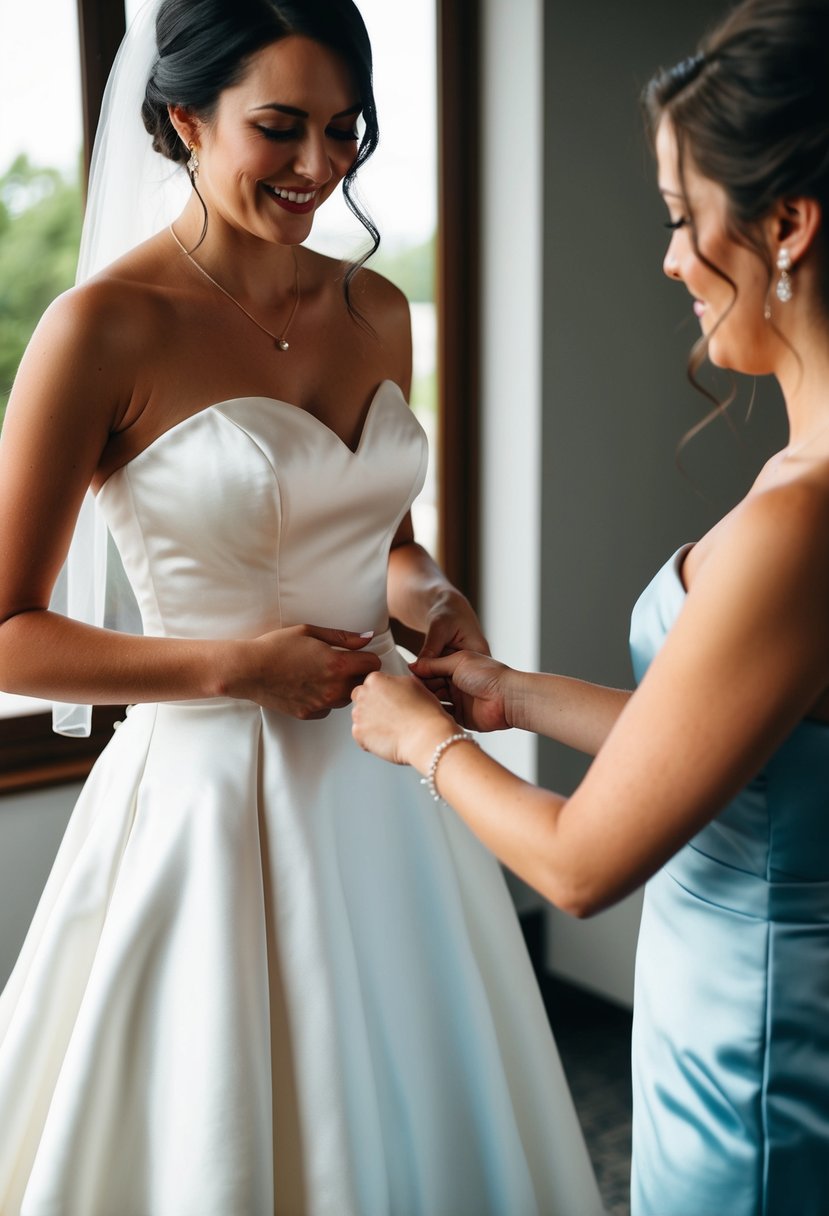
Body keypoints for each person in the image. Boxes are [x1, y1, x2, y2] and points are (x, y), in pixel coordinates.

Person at [0, 1, 607, 1213]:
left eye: (345, 129)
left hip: (393, 783)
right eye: (279, 128)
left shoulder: (374, 310)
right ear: (184, 118)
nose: (321, 167)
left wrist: (437, 597)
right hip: (208, 805)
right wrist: (239, 669)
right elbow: (9, 629)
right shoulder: (102, 329)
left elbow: (384, 538)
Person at [350, 0, 829, 1213]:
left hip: (753, 1051)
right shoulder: (793, 482)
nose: (668, 259)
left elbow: (577, 867)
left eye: (681, 218)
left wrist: (429, 742)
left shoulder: (801, 523)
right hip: (730, 1010)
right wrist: (511, 695)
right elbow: (725, 741)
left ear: (785, 223)